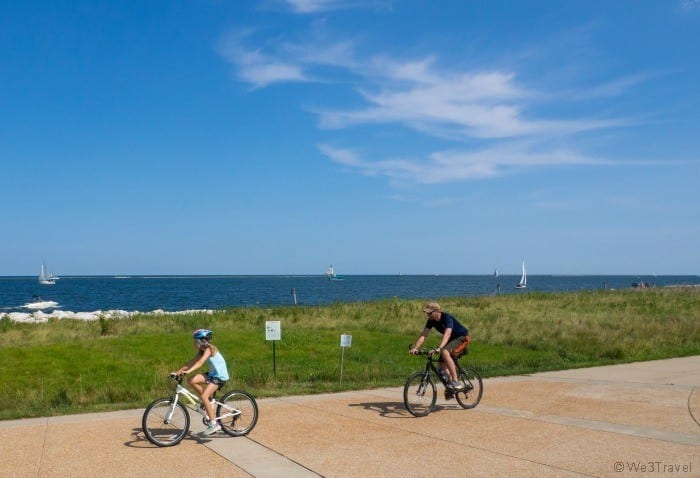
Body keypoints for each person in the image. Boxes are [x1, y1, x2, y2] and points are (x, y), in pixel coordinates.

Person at [173, 329, 230, 436]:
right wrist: (178, 371)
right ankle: (207, 401)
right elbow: (191, 362)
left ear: (201, 341)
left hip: (220, 376)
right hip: (213, 375)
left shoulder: (209, 349)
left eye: (195, 341)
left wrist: (187, 371)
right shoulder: (202, 351)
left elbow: (199, 363)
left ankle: (214, 424)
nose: (194, 343)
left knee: (203, 396)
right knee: (191, 380)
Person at [409, 302, 470, 394]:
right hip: (451, 339)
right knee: (441, 366)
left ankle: (455, 381)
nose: (428, 315)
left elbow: (447, 333)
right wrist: (415, 348)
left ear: (437, 311)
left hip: (462, 337)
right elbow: (424, 335)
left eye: (430, 313)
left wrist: (439, 348)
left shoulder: (447, 318)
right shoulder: (431, 321)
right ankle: (451, 388)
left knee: (445, 351)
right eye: (427, 313)